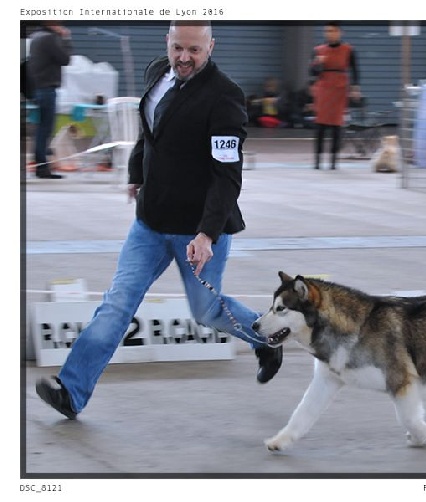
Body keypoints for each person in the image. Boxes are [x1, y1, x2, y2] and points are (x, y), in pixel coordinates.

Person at [35, 21, 283, 420]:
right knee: (117, 304)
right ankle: (71, 391)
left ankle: (266, 334)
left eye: (195, 51)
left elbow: (227, 175)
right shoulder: (157, 72)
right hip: (150, 221)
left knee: (205, 311)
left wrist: (207, 233)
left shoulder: (225, 97)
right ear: (168, 43)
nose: (184, 58)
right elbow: (149, 132)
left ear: (210, 47)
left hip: (198, 229)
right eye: (178, 48)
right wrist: (137, 172)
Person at [309, 21, 361, 170]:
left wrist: (356, 88)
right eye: (327, 31)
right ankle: (317, 161)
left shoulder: (348, 50)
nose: (329, 34)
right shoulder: (318, 50)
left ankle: (333, 161)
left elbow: (355, 70)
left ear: (339, 32)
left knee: (337, 125)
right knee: (320, 124)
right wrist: (317, 64)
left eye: (332, 31)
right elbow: (311, 73)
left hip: (340, 88)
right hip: (323, 88)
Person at [27, 21, 72, 179]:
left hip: (37, 88)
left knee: (39, 129)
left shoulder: (35, 37)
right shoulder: (48, 38)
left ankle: (40, 165)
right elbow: (65, 59)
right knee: (45, 130)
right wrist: (65, 38)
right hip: (47, 88)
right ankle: (42, 168)